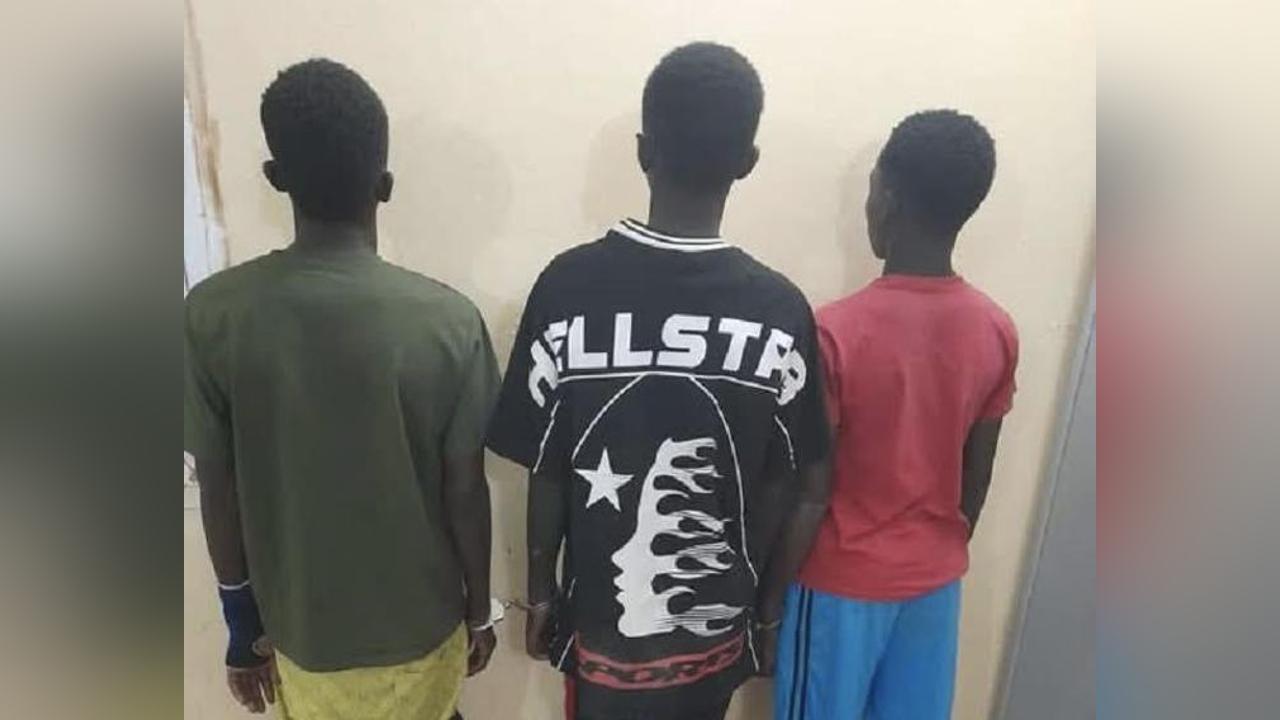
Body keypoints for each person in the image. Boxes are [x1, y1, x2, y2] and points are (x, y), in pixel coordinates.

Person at [486, 42, 832, 720]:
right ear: (748, 161)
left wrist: (541, 593)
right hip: (714, 642)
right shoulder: (780, 311)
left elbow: (546, 467)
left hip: (599, 637)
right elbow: (792, 481)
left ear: (644, 152)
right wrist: (765, 613)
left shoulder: (567, 288)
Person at [184, 58, 500, 720]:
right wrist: (479, 611)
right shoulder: (450, 322)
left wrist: (242, 629)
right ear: (384, 186)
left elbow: (218, 484)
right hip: (421, 629)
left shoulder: (213, 316)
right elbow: (465, 488)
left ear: (275, 178)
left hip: (300, 634)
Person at [774, 110, 1019, 720]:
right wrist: (925, 550)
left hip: (839, 585)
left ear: (885, 199)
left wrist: (767, 604)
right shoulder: (995, 329)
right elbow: (976, 478)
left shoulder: (833, 332)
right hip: (934, 587)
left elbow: (810, 489)